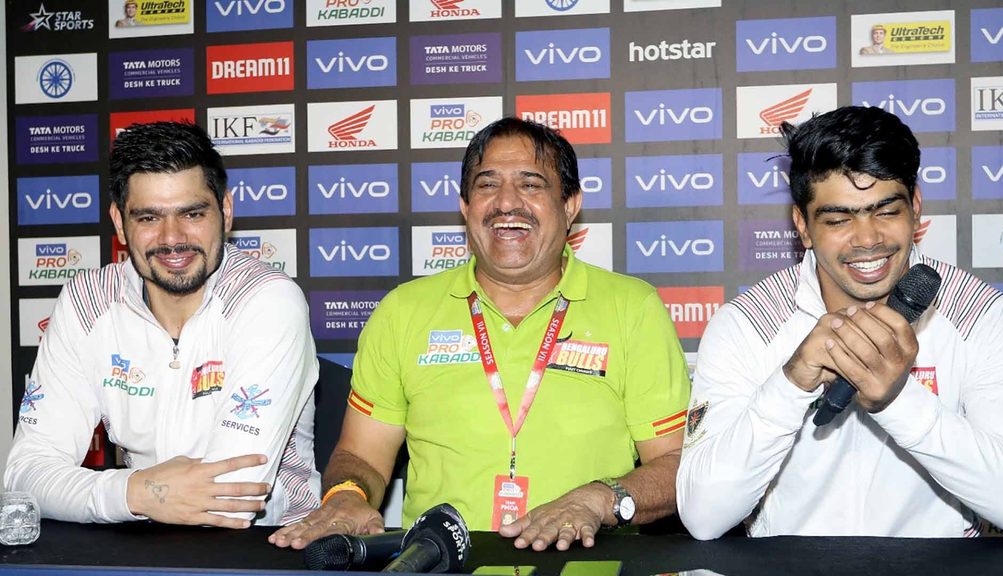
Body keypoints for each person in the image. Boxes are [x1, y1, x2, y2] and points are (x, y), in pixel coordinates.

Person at [269, 117, 689, 551]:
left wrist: (599, 500)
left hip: (586, 561)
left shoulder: (632, 309)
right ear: (465, 206)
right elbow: (361, 453)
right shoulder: (404, 311)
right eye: (487, 185)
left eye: (531, 184)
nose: (507, 203)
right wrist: (346, 498)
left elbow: (678, 466)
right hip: (440, 564)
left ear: (570, 205)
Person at [676, 105, 1003, 539]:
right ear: (802, 226)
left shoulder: (983, 315)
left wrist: (899, 402)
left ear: (915, 208)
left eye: (886, 211)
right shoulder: (747, 323)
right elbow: (703, 517)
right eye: (839, 219)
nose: (867, 239)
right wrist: (790, 384)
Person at [4, 121, 320, 528]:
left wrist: (121, 495)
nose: (173, 238)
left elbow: (231, 499)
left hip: (263, 547)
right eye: (149, 217)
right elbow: (25, 475)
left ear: (225, 211)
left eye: (191, 213)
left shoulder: (267, 299)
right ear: (119, 223)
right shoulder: (87, 301)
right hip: (136, 541)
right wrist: (136, 493)